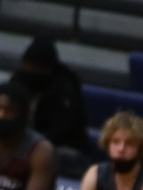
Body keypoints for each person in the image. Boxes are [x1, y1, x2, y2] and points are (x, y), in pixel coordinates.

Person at [14, 36, 90, 173]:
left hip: (61, 146)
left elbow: (63, 129)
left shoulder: (65, 87)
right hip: (24, 141)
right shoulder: (19, 80)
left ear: (46, 68)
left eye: (35, 68)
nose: (30, 72)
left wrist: (35, 145)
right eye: (27, 67)